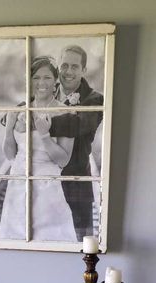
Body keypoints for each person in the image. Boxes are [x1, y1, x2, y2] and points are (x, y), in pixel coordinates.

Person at [0, 56, 77, 242]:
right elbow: (10, 155)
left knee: (48, 240)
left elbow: (63, 160)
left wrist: (45, 136)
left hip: (46, 187)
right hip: (17, 183)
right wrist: (9, 129)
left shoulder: (66, 114)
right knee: (14, 242)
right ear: (29, 80)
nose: (41, 83)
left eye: (47, 77)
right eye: (36, 77)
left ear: (55, 80)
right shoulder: (20, 109)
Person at [49, 45, 103, 240]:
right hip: (45, 180)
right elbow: (24, 106)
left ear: (83, 70)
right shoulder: (46, 90)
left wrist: (36, 122)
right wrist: (11, 117)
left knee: (82, 244)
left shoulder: (95, 100)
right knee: (46, 238)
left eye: (74, 66)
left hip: (76, 181)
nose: (68, 71)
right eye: (64, 66)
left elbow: (77, 127)